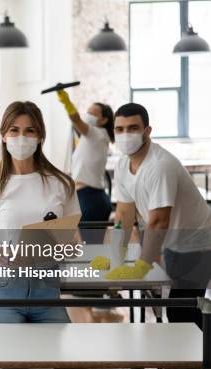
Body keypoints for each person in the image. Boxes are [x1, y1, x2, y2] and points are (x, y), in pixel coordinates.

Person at [0, 101, 81, 323]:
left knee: (56, 357)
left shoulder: (62, 184)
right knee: (10, 358)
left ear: (40, 137)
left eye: (30, 130)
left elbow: (74, 245)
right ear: (3, 136)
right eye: (14, 130)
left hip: (47, 289)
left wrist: (65, 247)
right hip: (4, 289)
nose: (22, 138)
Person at [107, 103, 211, 329]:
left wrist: (141, 267)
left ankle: (198, 362)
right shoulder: (123, 164)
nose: (126, 135)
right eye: (120, 129)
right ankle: (186, 359)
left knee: (182, 312)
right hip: (173, 244)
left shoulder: (160, 165)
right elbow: (124, 214)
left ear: (147, 131)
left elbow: (158, 222)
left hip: (199, 244)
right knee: (174, 304)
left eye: (133, 128)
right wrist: (115, 256)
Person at [56, 90, 114, 236]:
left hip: (90, 199)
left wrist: (66, 102)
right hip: (87, 197)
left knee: (90, 249)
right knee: (90, 248)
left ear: (103, 120)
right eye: (88, 111)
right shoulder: (91, 138)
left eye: (93, 112)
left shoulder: (97, 134)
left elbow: (76, 119)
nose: (88, 114)